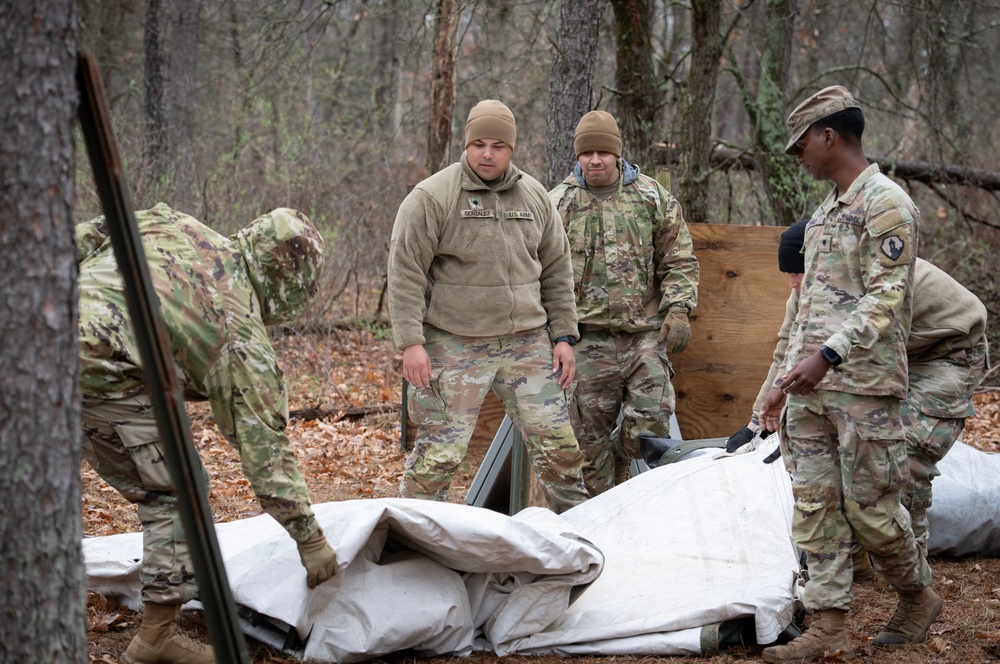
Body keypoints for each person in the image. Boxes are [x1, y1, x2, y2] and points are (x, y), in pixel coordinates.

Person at [78, 204, 338, 664]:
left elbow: (86, 237)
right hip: (100, 368)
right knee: (178, 491)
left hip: (32, 328)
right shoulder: (239, 334)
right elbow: (266, 454)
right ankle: (157, 637)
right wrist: (310, 539)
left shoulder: (171, 221)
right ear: (290, 284)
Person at [757, 85, 937, 662]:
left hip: (864, 389)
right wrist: (776, 390)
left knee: (872, 508)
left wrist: (828, 356)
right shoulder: (822, 216)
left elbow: (886, 298)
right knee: (814, 507)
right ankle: (828, 627)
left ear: (828, 136)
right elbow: (801, 310)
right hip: (808, 393)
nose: (798, 156)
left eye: (801, 145)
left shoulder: (887, 204)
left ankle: (916, 594)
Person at [728, 225, 989, 560]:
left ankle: (909, 572)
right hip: (893, 353)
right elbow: (789, 350)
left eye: (800, 272)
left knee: (903, 456)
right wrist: (757, 423)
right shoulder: (807, 292)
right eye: (789, 274)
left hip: (949, 353)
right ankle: (859, 557)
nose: (794, 283)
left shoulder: (879, 283)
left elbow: (852, 355)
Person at [387, 99, 589, 513]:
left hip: (526, 344)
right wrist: (411, 342)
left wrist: (564, 335)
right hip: (455, 342)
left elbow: (556, 268)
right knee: (438, 457)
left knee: (561, 451)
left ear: (511, 148)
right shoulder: (432, 197)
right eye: (478, 143)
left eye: (498, 145)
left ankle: (582, 531)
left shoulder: (534, 196)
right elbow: (405, 271)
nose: (487, 153)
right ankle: (406, 537)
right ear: (466, 144)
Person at [548, 111, 699, 495]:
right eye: (587, 153)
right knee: (586, 447)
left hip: (643, 335)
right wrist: (553, 335)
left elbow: (678, 259)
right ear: (577, 156)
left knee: (651, 425)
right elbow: (540, 272)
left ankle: (622, 454)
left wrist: (679, 308)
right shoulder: (557, 204)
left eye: (603, 151)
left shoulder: (652, 197)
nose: (595, 160)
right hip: (585, 340)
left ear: (618, 153)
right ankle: (600, 521)